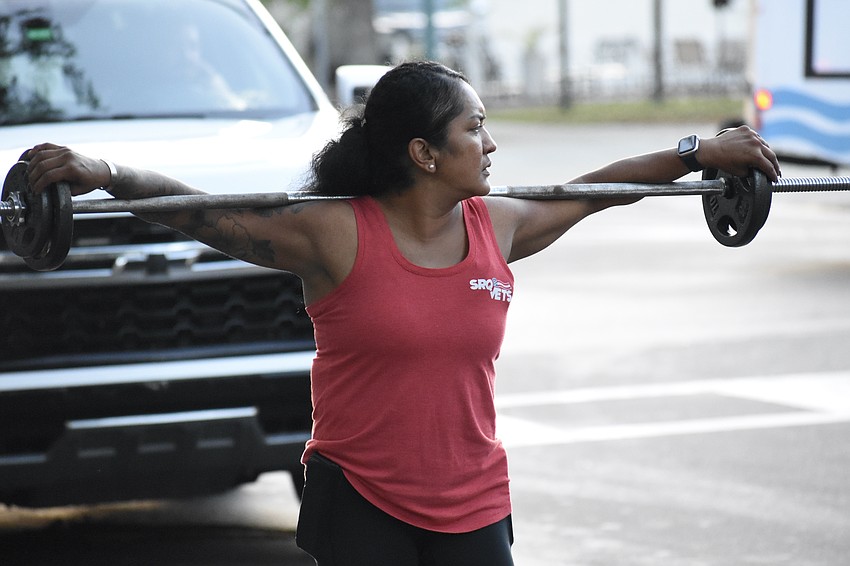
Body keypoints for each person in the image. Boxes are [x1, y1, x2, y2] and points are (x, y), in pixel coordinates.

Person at [22, 61, 780, 566]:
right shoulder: (334, 233)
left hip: (474, 497)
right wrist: (108, 173)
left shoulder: (501, 225)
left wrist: (696, 153)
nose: (491, 143)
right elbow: (202, 216)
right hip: (362, 501)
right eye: (474, 128)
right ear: (423, 153)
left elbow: (599, 188)